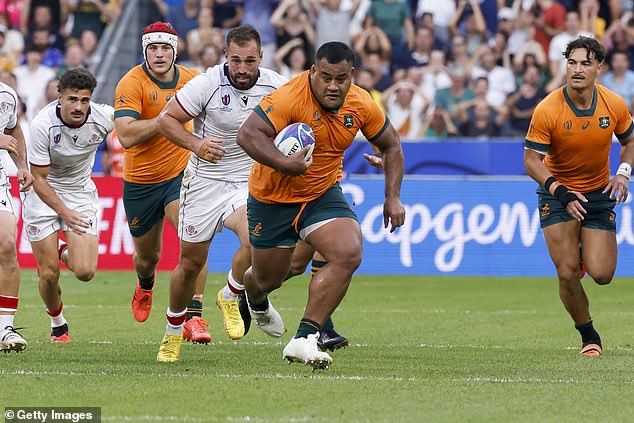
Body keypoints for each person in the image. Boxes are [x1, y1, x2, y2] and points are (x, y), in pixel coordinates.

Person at [155, 25, 353, 362]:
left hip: (248, 180)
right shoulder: (207, 83)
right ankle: (174, 330)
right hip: (203, 182)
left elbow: (314, 124)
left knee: (254, 243)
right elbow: (166, 121)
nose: (243, 68)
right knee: (190, 264)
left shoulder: (277, 85)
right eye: (236, 60)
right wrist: (197, 144)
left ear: (261, 57)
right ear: (225, 57)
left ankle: (232, 292)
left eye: (249, 60)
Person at [236, 41, 405, 369]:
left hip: (320, 193)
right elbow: (249, 134)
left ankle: (305, 338)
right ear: (313, 72)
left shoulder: (361, 103)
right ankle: (251, 296)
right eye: (325, 77)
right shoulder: (288, 97)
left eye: (340, 78)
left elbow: (392, 145)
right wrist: (285, 164)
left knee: (348, 251)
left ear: (351, 75)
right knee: (270, 277)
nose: (332, 85)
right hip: (273, 198)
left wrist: (392, 196)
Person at [524, 36, 634, 357]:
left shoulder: (613, 104)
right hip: (557, 192)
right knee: (567, 271)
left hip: (599, 192)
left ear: (599, 67)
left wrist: (623, 173)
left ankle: (585, 248)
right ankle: (589, 335)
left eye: (586, 63)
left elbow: (629, 141)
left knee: (602, 275)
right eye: (571, 62)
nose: (577, 69)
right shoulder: (548, 108)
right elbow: (531, 160)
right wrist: (559, 190)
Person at [113, 22, 212, 343]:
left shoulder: (193, 80)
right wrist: (164, 120)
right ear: (145, 51)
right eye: (153, 48)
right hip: (140, 181)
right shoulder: (131, 82)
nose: (159, 54)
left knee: (193, 241)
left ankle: (194, 317)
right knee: (147, 257)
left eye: (165, 48)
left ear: (175, 50)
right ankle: (145, 283)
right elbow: (126, 136)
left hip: (181, 175)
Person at [23, 68, 113, 342]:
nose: (79, 107)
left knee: (85, 272)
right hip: (43, 194)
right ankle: (57, 323)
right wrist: (65, 213)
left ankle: (63, 250)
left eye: (84, 100)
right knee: (49, 273)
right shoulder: (42, 125)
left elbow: (135, 127)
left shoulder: (104, 117)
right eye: (72, 99)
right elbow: (38, 179)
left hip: (80, 194)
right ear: (59, 97)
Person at [0, 79, 33, 352]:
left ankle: (5, 329)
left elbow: (14, 130)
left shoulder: (7, 95)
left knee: (7, 245)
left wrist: (21, 165)